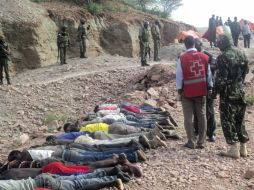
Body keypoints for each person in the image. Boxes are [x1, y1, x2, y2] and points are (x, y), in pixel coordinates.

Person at [215, 34, 249, 159]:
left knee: (227, 119)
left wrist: (214, 92)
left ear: (223, 43)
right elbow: (245, 72)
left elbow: (221, 80)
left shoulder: (223, 57)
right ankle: (243, 148)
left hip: (228, 93)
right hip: (240, 90)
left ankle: (233, 149)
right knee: (240, 118)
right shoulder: (242, 53)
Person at [176, 36, 213, 149]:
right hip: (201, 91)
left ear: (185, 45)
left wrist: (179, 91)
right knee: (202, 116)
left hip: (187, 92)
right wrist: (210, 87)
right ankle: (201, 142)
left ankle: (191, 142)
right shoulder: (205, 57)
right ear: (194, 44)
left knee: (188, 117)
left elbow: (179, 77)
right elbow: (209, 75)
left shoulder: (181, 59)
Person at [193, 39, 217, 142]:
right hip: (201, 88)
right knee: (200, 111)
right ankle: (199, 132)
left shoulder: (206, 56)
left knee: (207, 111)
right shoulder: (193, 57)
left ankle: (209, 133)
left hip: (206, 87)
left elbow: (215, 66)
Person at [0, 172, 125, 190]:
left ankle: (112, 181)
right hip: (42, 178)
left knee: (78, 185)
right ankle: (112, 174)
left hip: (44, 185)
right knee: (78, 179)